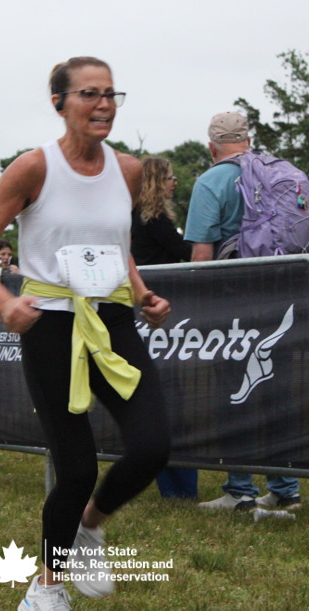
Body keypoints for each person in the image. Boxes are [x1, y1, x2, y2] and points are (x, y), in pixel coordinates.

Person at [0, 57, 171, 609]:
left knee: (152, 446)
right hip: (50, 322)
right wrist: (4, 302)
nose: (103, 105)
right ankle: (46, 588)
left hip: (112, 320)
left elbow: (116, 249)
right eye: (89, 94)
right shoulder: (34, 168)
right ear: (59, 103)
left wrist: (142, 294)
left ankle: (88, 528)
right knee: (75, 468)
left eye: (110, 94)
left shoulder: (128, 170)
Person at [186, 111, 302, 514]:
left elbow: (202, 256)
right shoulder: (278, 173)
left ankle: (240, 489)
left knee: (234, 392)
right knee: (275, 391)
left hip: (232, 304)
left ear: (211, 147)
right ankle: (285, 487)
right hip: (280, 298)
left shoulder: (211, 182)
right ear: (248, 142)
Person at [130, 156, 195, 499]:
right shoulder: (153, 219)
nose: (175, 182)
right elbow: (185, 251)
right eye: (169, 177)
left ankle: (171, 485)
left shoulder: (132, 217)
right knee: (172, 401)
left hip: (145, 315)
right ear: (156, 181)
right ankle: (179, 486)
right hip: (159, 316)